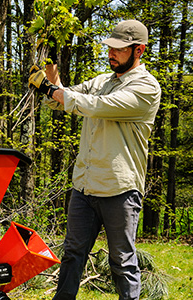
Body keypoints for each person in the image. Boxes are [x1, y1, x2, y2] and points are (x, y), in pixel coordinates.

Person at [28, 20, 161, 300]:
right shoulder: (102, 81)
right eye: (110, 48)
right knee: (73, 255)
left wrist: (51, 90)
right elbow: (62, 100)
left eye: (119, 49)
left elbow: (97, 106)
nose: (111, 53)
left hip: (119, 189)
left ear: (139, 50)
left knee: (122, 261)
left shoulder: (146, 88)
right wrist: (50, 71)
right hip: (85, 186)